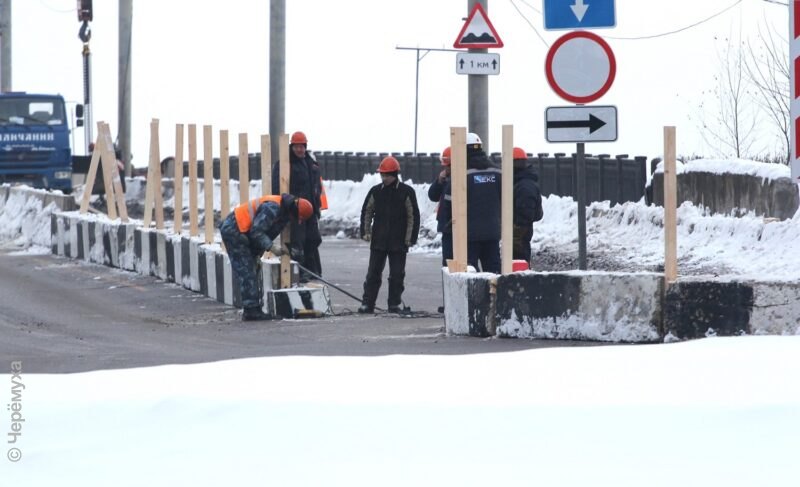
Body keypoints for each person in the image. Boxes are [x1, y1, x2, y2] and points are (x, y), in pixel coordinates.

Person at [219, 193, 314, 321]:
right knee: (247, 270)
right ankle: (251, 311)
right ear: (293, 210)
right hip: (234, 230)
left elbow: (262, 233)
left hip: (242, 232)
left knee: (252, 268)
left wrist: (257, 253)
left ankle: (254, 308)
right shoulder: (272, 208)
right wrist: (272, 247)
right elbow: (256, 232)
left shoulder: (284, 212)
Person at [358, 156, 420, 314]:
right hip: (378, 241)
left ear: (394, 174)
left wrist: (410, 238)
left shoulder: (407, 192)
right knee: (373, 274)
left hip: (398, 242)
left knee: (397, 275)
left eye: (386, 175)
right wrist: (365, 231)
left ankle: (394, 304)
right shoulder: (376, 191)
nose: (384, 178)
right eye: (382, 175)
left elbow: (413, 216)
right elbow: (367, 211)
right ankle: (367, 303)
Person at [271, 131, 323, 282]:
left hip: (310, 210)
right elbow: (277, 188)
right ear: (291, 147)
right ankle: (301, 273)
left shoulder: (310, 163)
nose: (300, 149)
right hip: (295, 210)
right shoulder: (285, 164)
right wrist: (289, 204)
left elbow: (316, 187)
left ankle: (311, 270)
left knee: (314, 239)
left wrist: (317, 207)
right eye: (296, 147)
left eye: (302, 146)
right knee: (297, 244)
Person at [465, 132, 502, 273]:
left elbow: (450, 203)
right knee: (493, 273)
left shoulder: (462, 173)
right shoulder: (497, 172)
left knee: (470, 274)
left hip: (469, 234)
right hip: (492, 231)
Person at [511, 147, 544, 267]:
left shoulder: (524, 185)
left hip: (519, 233)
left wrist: (517, 230)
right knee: (519, 262)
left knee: (519, 263)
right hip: (520, 232)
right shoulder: (523, 182)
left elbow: (526, 213)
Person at [428, 147, 452, 267]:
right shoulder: (445, 179)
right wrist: (439, 182)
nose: (445, 168)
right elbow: (433, 196)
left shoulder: (464, 179)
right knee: (447, 262)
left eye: (448, 166)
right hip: (446, 227)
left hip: (458, 228)